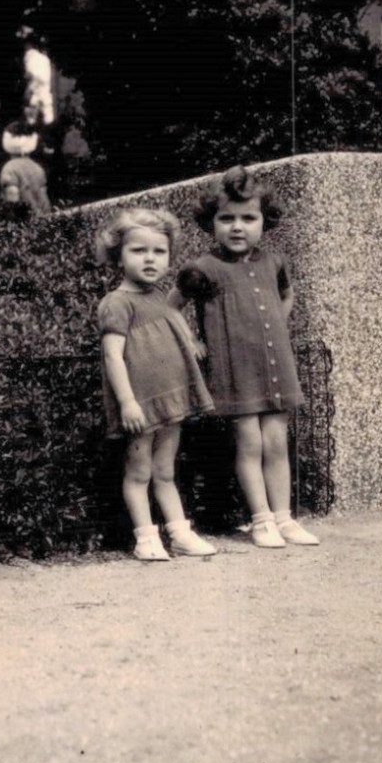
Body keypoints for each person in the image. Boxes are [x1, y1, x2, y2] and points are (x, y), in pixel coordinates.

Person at [168, 166, 319, 549]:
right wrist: (191, 341)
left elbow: (286, 295)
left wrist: (278, 327)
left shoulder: (275, 262)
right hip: (236, 370)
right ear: (211, 223)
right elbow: (171, 307)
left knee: (276, 442)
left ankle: (284, 518)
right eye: (227, 218)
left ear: (264, 221)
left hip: (276, 366)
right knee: (250, 443)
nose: (238, 227)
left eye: (248, 218)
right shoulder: (202, 269)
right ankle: (261, 519)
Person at [96, 208, 216, 562]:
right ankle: (146, 537)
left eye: (159, 251)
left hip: (169, 401)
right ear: (118, 255)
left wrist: (190, 341)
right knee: (139, 471)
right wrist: (127, 401)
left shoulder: (159, 298)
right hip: (141, 404)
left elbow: (170, 327)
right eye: (138, 250)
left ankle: (179, 533)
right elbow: (112, 357)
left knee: (165, 470)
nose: (150, 259)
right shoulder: (117, 303)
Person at [0, 121, 51, 215]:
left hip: (21, 224)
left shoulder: (9, 168)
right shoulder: (38, 168)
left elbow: (12, 201)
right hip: (39, 222)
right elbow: (45, 203)